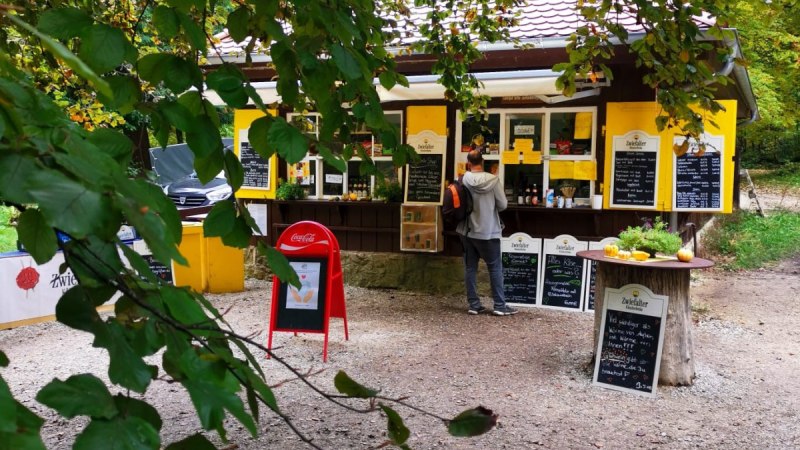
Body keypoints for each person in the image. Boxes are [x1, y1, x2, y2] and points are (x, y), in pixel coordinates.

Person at [456, 150, 518, 316]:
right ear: (482, 161)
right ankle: (499, 305)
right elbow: (503, 204)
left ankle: (474, 305)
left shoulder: (463, 179)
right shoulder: (493, 180)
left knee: (470, 268)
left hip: (467, 230)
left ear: (469, 162)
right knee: (495, 268)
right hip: (488, 231)